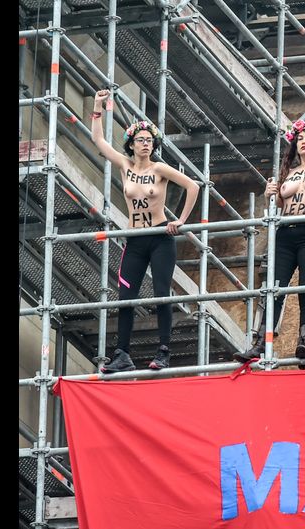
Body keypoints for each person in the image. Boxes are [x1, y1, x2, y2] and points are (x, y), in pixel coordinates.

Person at [234, 70, 305, 368]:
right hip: (285, 231)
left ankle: (304, 341)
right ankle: (260, 342)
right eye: (300, 138)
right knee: (274, 289)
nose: (304, 141)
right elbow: (281, 203)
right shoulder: (290, 172)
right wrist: (273, 193)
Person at [90, 89, 199, 372]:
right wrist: (97, 108)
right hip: (135, 238)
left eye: (149, 141)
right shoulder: (125, 165)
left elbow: (193, 186)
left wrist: (181, 221)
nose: (145, 145)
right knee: (126, 296)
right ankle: (122, 354)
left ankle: (163, 350)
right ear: (131, 144)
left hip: (161, 236)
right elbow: (99, 140)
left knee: (162, 291)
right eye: (140, 140)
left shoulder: (160, 168)